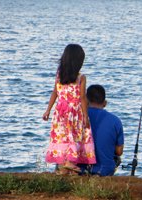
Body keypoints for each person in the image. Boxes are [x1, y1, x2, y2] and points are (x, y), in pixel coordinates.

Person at [42, 44, 96, 174]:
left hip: (60, 111)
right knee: (75, 136)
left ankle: (64, 164)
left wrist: (48, 110)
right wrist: (85, 116)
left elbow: (55, 92)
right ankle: (70, 163)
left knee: (63, 136)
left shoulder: (59, 75)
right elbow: (82, 98)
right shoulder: (81, 77)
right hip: (74, 112)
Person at [79, 84, 124, 176]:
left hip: (80, 169)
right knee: (116, 158)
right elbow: (119, 151)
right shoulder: (115, 121)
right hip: (104, 170)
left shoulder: (78, 117)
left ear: (86, 101)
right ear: (105, 103)